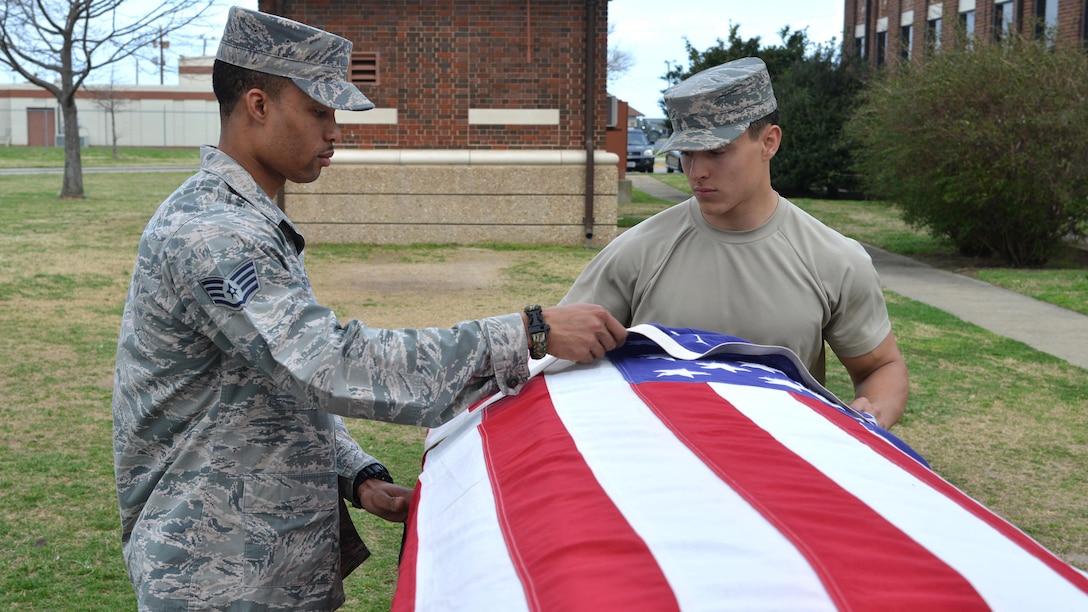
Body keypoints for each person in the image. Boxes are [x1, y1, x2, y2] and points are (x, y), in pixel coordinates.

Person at [111, 7, 626, 610]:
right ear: (257, 105)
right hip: (216, 577)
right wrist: (527, 333)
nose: (335, 132)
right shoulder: (214, 232)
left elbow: (274, 383)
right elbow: (327, 362)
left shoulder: (248, 219)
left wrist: (356, 475)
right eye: (319, 112)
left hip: (265, 564)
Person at [561, 57, 908, 429]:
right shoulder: (638, 251)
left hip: (780, 469)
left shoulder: (833, 259)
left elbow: (880, 366)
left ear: (769, 142)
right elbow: (562, 351)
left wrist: (872, 415)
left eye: (716, 151)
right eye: (687, 154)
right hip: (662, 466)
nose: (697, 172)